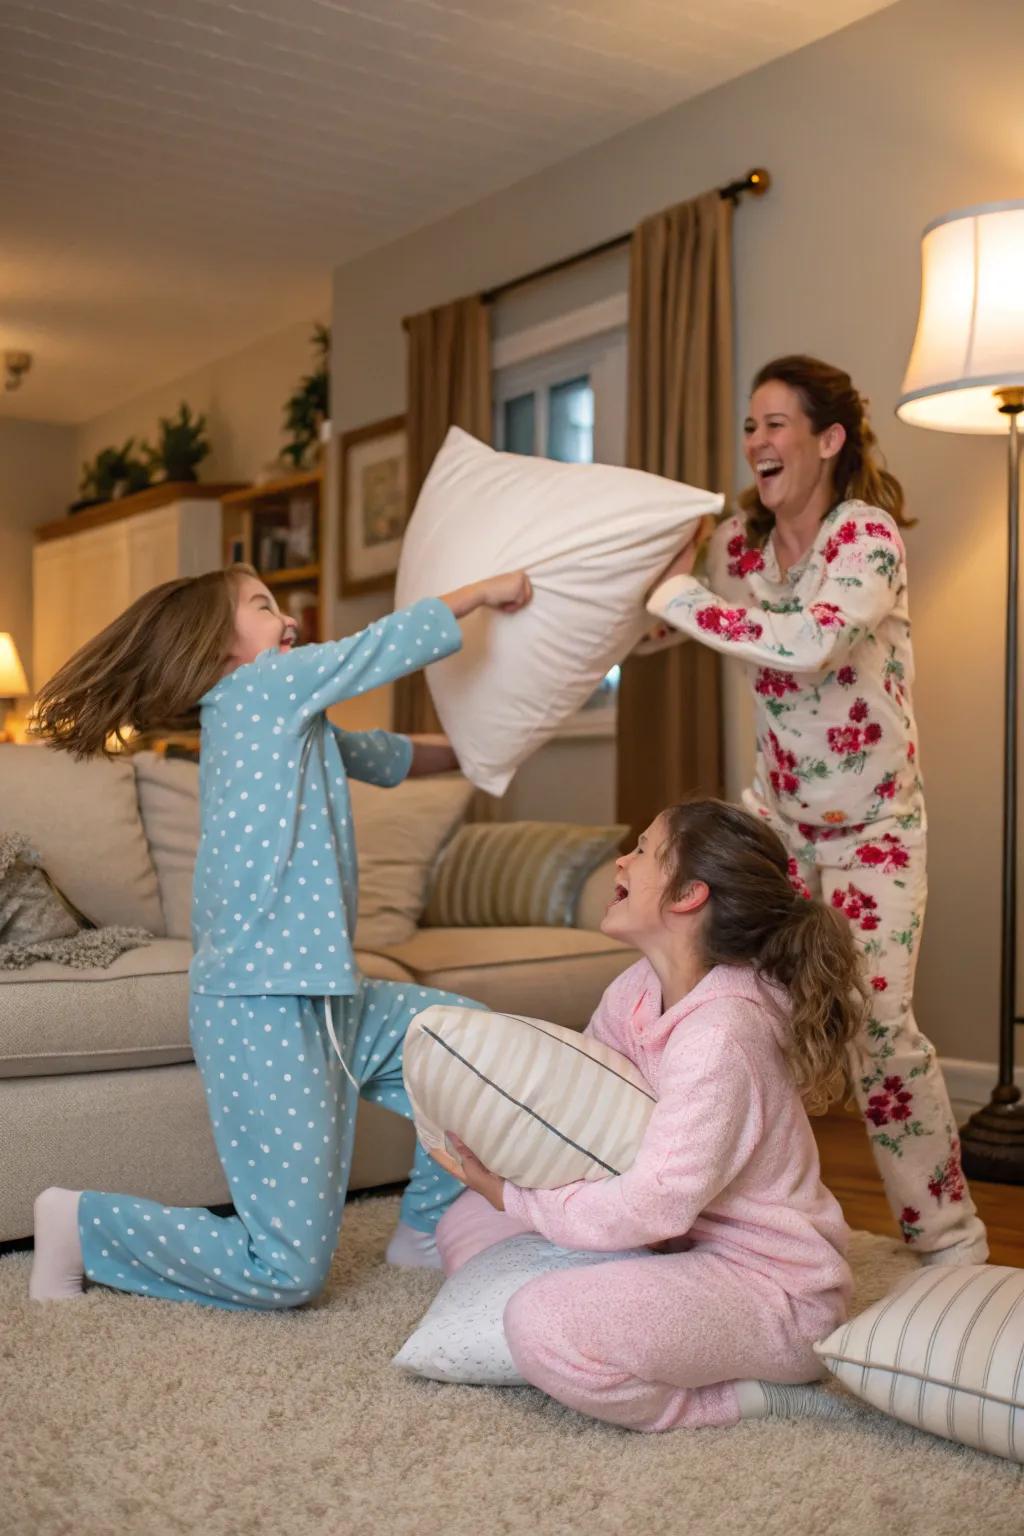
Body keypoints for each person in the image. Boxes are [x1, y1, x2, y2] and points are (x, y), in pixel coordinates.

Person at [28, 562, 531, 1306]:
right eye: (264, 607)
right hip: (260, 1006)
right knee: (288, 1272)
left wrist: (484, 753)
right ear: (218, 646)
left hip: (329, 995)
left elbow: (389, 757)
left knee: (473, 1051)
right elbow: (379, 646)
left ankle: (424, 1230)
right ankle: (80, 1225)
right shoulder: (257, 692)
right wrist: (481, 593)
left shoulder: (292, 719)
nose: (289, 619)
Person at [643, 355, 986, 1266]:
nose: (757, 441)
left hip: (877, 832)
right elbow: (670, 617)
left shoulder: (865, 538)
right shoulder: (740, 551)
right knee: (738, 1010)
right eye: (749, 425)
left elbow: (805, 645)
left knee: (878, 1032)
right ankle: (733, 1222)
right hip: (780, 826)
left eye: (776, 424)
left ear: (828, 440)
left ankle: (948, 1244)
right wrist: (654, 592)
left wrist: (682, 600)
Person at [432, 800, 859, 1433]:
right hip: (672, 1245)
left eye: (643, 849)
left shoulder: (721, 1036)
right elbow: (576, 1099)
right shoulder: (635, 988)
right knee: (464, 1224)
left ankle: (735, 1398)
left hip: (772, 1292)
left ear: (689, 894)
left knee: (538, 1322)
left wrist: (517, 1198)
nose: (621, 860)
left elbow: (655, 1205)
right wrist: (497, 1141)